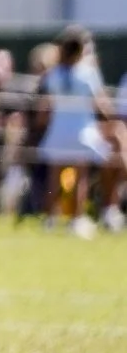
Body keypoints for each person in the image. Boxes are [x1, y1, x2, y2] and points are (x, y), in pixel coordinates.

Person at [36, 28, 114, 239]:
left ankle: (50, 218)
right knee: (81, 178)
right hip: (82, 131)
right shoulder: (88, 72)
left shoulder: (53, 74)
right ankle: (76, 220)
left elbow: (47, 105)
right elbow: (100, 102)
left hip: (59, 130)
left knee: (54, 178)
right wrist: (110, 118)